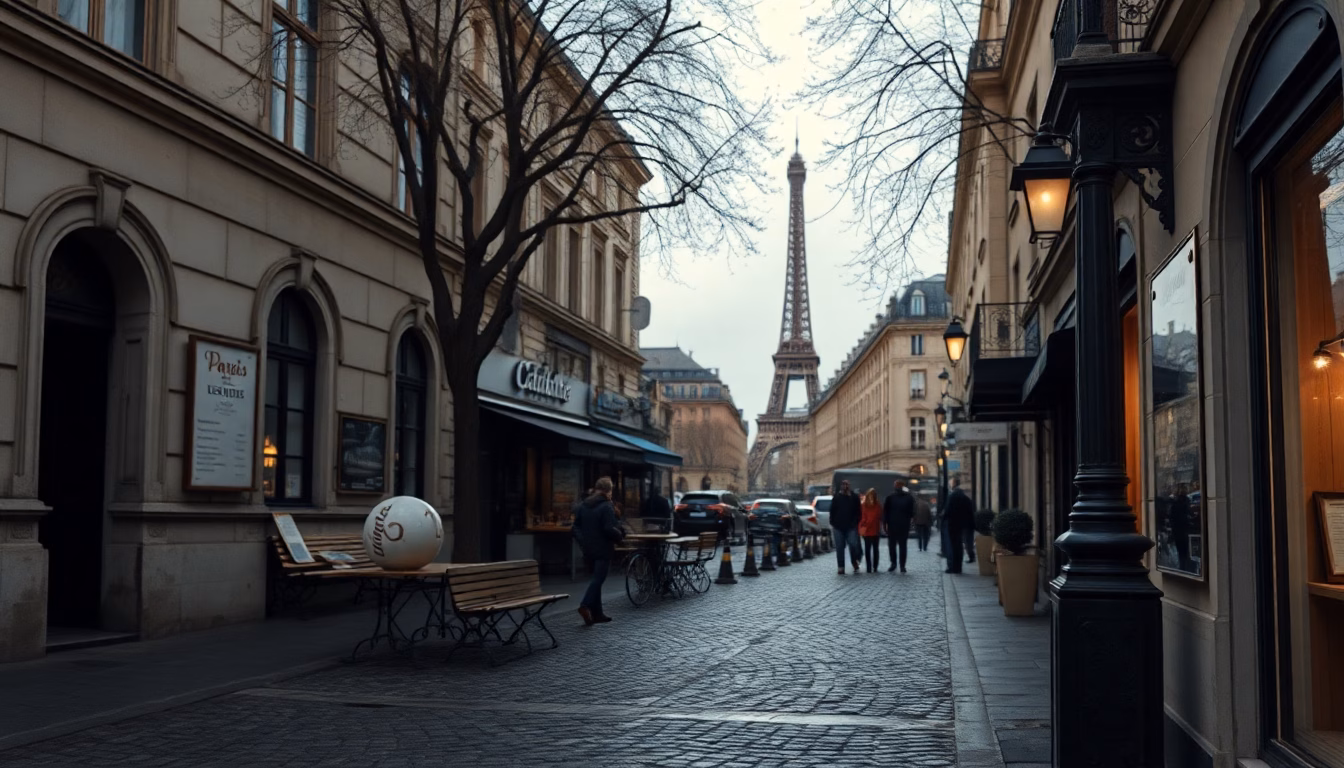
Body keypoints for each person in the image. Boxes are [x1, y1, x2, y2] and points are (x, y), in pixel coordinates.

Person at [571, 477, 625, 625]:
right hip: (603, 547)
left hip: (588, 548)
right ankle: (585, 605)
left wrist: (583, 541)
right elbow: (609, 528)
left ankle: (598, 614)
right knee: (598, 579)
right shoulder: (606, 506)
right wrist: (620, 537)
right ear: (608, 490)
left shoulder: (584, 504)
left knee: (596, 579)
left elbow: (575, 527)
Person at [829, 479, 863, 574]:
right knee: (839, 547)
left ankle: (854, 561)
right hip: (838, 526)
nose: (845, 486)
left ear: (849, 486)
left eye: (847, 484)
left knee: (853, 545)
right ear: (841, 486)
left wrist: (855, 522)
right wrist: (833, 522)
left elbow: (858, 511)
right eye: (843, 484)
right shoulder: (837, 497)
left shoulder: (854, 497)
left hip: (851, 526)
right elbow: (832, 510)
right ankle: (841, 567)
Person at [883, 480, 915, 573]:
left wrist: (885, 524)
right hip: (902, 525)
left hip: (894, 524)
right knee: (902, 546)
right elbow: (912, 512)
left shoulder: (890, 497)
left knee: (893, 546)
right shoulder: (908, 498)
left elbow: (886, 512)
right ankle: (901, 565)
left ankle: (894, 564)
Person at [943, 478, 974, 574]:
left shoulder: (951, 497)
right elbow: (970, 512)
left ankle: (952, 566)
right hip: (962, 525)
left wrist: (943, 517)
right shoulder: (966, 499)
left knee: (951, 546)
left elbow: (947, 511)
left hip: (952, 524)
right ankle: (958, 567)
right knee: (959, 546)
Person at [859, 489, 883, 573]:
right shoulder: (866, 505)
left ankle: (874, 566)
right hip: (869, 529)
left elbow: (880, 515)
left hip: (873, 529)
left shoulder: (876, 505)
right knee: (869, 549)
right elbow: (862, 517)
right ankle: (870, 567)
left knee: (873, 549)